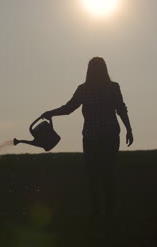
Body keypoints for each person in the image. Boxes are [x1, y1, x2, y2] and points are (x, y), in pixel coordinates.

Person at [41, 57, 133, 224]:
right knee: (108, 174)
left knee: (94, 175)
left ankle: (97, 213)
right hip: (110, 135)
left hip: (91, 137)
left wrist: (51, 113)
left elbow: (68, 108)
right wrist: (129, 129)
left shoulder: (84, 89)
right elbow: (121, 109)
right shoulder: (112, 87)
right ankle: (109, 213)